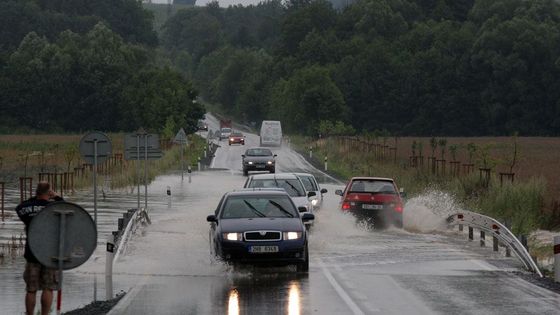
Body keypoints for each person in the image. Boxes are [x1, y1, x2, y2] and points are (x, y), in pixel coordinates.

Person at [15, 182, 63, 315]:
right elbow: (67, 210)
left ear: (36, 192)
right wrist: (57, 197)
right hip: (50, 253)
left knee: (31, 289)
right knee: (48, 288)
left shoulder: (27, 207)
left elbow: (19, 207)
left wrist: (33, 200)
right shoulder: (54, 207)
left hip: (32, 252)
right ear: (49, 193)